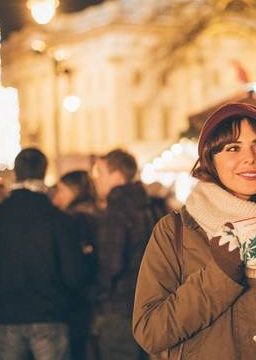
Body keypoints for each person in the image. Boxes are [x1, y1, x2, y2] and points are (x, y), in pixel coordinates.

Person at [132, 103, 256, 359]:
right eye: (233, 148)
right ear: (210, 158)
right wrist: (219, 276)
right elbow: (150, 332)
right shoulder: (176, 230)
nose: (250, 157)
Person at [0, 148, 84, 360]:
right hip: (49, 315)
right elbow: (73, 275)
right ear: (43, 172)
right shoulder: (60, 220)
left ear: (16, 172)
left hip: (5, 315)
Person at [91, 149, 161, 360]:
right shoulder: (150, 206)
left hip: (119, 307)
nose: (96, 180)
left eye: (100, 173)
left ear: (117, 176)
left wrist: (97, 296)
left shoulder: (117, 210)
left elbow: (110, 265)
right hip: (150, 302)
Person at [52, 170, 101, 360]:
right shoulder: (97, 212)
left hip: (79, 300)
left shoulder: (74, 219)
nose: (57, 197)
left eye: (62, 191)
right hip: (97, 297)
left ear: (75, 191)